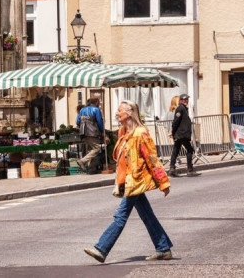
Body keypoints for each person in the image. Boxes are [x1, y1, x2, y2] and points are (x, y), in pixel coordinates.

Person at [84, 100, 173, 263]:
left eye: (119, 111)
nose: (117, 113)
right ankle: (163, 248)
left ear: (130, 113)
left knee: (120, 215)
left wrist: (163, 182)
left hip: (136, 181)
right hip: (126, 180)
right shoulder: (123, 133)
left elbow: (152, 159)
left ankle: (101, 249)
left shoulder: (140, 133)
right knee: (147, 215)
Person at [169, 93, 197, 177]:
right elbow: (175, 122)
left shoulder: (184, 109)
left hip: (182, 134)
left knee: (176, 151)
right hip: (181, 134)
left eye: (187, 100)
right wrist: (173, 132)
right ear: (180, 101)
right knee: (189, 150)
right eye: (184, 100)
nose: (186, 101)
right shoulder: (180, 109)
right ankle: (189, 169)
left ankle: (172, 168)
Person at [76, 96, 106, 173]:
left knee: (90, 150)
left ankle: (91, 168)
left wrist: (82, 127)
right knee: (97, 149)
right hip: (92, 132)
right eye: (98, 103)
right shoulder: (96, 109)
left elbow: (77, 121)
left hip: (83, 133)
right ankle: (82, 161)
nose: (99, 105)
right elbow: (100, 122)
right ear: (96, 103)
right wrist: (102, 131)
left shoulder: (82, 110)